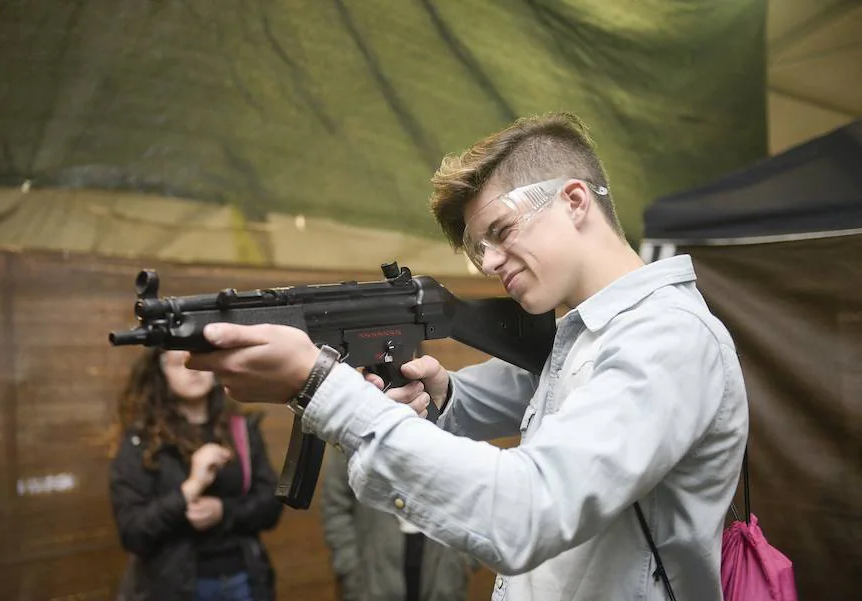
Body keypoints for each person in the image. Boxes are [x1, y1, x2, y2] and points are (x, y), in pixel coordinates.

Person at [184, 112, 750, 601]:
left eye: (501, 231)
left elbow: (527, 510)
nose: (489, 263)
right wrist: (439, 395)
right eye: (479, 249)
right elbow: (522, 397)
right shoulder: (581, 334)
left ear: (574, 200)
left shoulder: (665, 339)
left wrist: (319, 386)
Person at [109, 348, 283, 601]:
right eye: (179, 364)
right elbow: (133, 533)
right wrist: (191, 487)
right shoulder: (141, 442)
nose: (193, 371)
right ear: (161, 372)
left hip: (243, 579)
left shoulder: (241, 430)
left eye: (199, 362)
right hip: (174, 587)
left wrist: (222, 510)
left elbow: (271, 506)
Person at [320, 446, 477, 601]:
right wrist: (350, 569)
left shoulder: (452, 428)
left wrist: (464, 560)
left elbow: (474, 495)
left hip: (440, 564)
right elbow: (335, 504)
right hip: (374, 568)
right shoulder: (357, 432)